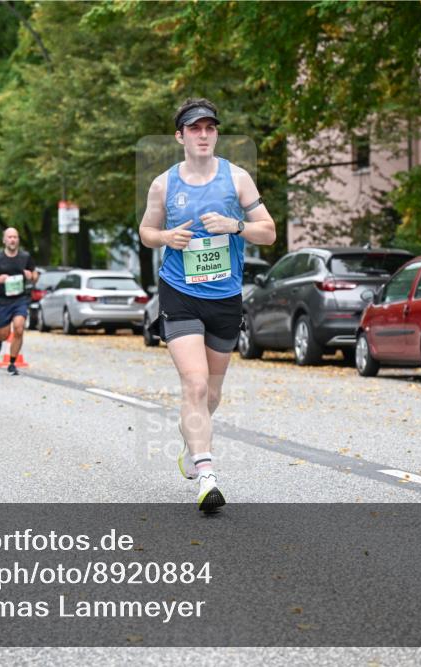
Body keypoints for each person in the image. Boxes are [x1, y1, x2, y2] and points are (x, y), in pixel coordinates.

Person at [139, 98, 276, 513]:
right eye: (194, 128)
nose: (203, 135)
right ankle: (207, 475)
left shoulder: (238, 179)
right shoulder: (164, 184)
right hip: (179, 292)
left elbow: (268, 233)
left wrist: (235, 225)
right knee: (195, 385)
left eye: (209, 128)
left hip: (225, 296)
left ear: (215, 133)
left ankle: (190, 439)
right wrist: (165, 238)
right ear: (180, 135)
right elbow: (146, 230)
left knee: (210, 396)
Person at [0, 227, 37, 376]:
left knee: (19, 328)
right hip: (3, 301)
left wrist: (31, 275)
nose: (12, 240)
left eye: (15, 237)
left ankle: (12, 363)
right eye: (10, 237)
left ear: (18, 240)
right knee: (5, 334)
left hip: (20, 299)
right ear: (4, 240)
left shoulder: (25, 257)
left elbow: (35, 274)